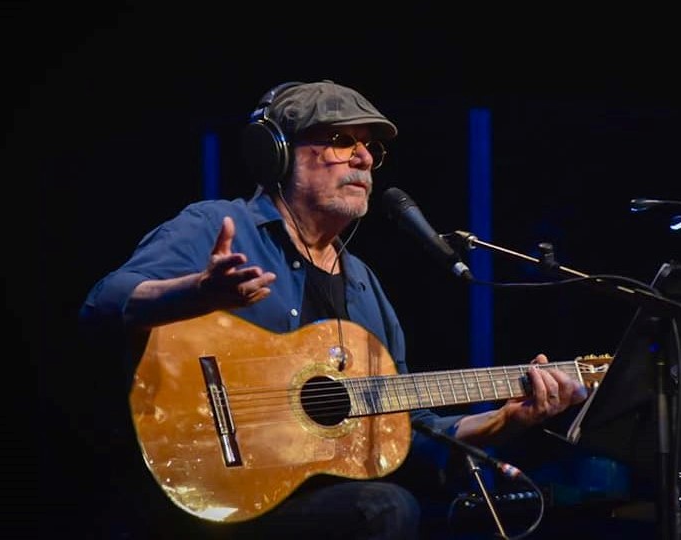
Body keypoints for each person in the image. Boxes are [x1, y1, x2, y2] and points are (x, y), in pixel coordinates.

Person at [79, 79, 589, 539]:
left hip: (310, 505)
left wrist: (507, 419)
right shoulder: (216, 225)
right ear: (274, 154)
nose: (364, 158)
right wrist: (196, 293)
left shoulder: (366, 288)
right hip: (200, 492)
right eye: (342, 140)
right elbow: (103, 303)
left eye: (371, 147)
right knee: (385, 510)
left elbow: (408, 431)